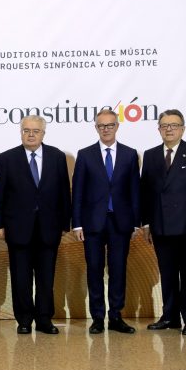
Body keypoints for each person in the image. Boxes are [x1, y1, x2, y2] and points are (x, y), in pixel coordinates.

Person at [0, 115, 71, 334]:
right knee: (21, 277)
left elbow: (64, 192)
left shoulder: (56, 156)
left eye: (36, 131)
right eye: (26, 130)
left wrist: (65, 223)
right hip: (18, 229)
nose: (31, 134)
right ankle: (24, 320)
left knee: (46, 277)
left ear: (43, 133)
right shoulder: (8, 158)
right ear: (21, 132)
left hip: (49, 228)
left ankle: (45, 319)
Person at [141, 109, 186, 335]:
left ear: (182, 128)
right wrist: (146, 224)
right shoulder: (151, 155)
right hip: (160, 226)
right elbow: (145, 193)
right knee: (167, 272)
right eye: (164, 125)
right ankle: (170, 316)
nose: (169, 129)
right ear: (159, 129)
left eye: (173, 125)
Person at [72, 108, 139, 334]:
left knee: (118, 269)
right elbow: (78, 192)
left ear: (117, 126)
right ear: (96, 128)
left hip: (121, 223)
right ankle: (98, 318)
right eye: (102, 126)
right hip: (92, 223)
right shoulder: (85, 154)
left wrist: (136, 222)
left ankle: (116, 316)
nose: (106, 129)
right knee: (94, 269)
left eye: (110, 125)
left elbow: (134, 191)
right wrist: (77, 223)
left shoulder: (130, 154)